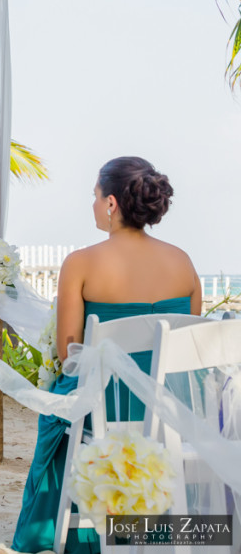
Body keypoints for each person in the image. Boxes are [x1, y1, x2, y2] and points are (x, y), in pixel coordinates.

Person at [12, 156, 201, 553]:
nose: (94, 205)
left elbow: (70, 354)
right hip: (171, 414)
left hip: (105, 413)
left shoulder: (80, 263)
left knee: (58, 411)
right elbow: (184, 349)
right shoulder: (183, 263)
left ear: (112, 202)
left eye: (95, 197)